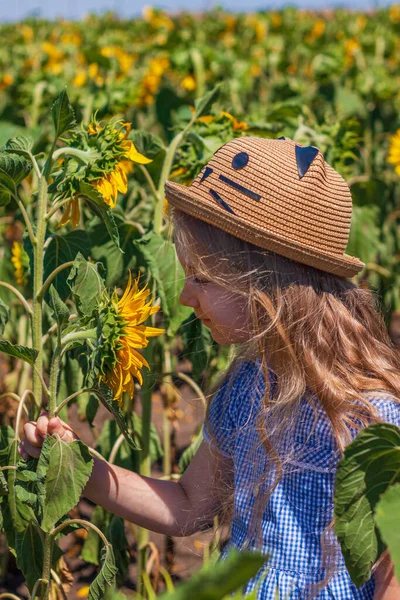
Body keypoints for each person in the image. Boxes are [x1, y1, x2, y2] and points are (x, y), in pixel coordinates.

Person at [20, 136, 400, 599]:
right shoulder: (247, 388)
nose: (184, 296)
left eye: (201, 278)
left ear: (267, 286)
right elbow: (188, 507)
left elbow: (390, 576)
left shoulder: (371, 415)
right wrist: (83, 466)